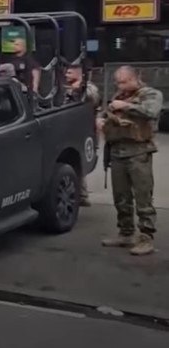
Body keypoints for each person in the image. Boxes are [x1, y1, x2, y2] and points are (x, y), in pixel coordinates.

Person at [98, 66, 162, 255]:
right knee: (121, 197)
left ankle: (146, 237)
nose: (121, 85)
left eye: (125, 81)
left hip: (138, 152)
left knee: (143, 197)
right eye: (118, 82)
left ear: (136, 78)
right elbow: (105, 113)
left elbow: (151, 111)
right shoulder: (119, 95)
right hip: (118, 152)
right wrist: (101, 119)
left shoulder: (150, 94)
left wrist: (125, 106)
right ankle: (126, 232)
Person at [66, 64, 101, 206]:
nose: (66, 74)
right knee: (73, 161)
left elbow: (94, 100)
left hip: (86, 130)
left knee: (81, 161)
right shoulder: (64, 87)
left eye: (69, 72)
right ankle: (80, 194)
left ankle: (82, 195)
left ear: (78, 73)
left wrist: (79, 88)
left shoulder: (89, 87)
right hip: (71, 129)